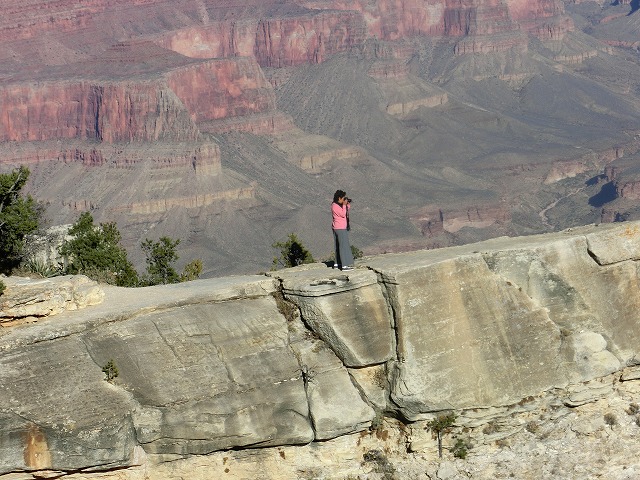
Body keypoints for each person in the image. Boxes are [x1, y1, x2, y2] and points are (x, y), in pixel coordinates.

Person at [332, 189, 354, 271]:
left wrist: (347, 204)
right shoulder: (335, 205)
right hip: (340, 228)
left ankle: (337, 263)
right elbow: (342, 214)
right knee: (343, 246)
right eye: (343, 198)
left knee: (338, 245)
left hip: (338, 227)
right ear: (339, 198)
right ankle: (345, 265)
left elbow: (345, 210)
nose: (344, 199)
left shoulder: (337, 205)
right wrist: (344, 205)